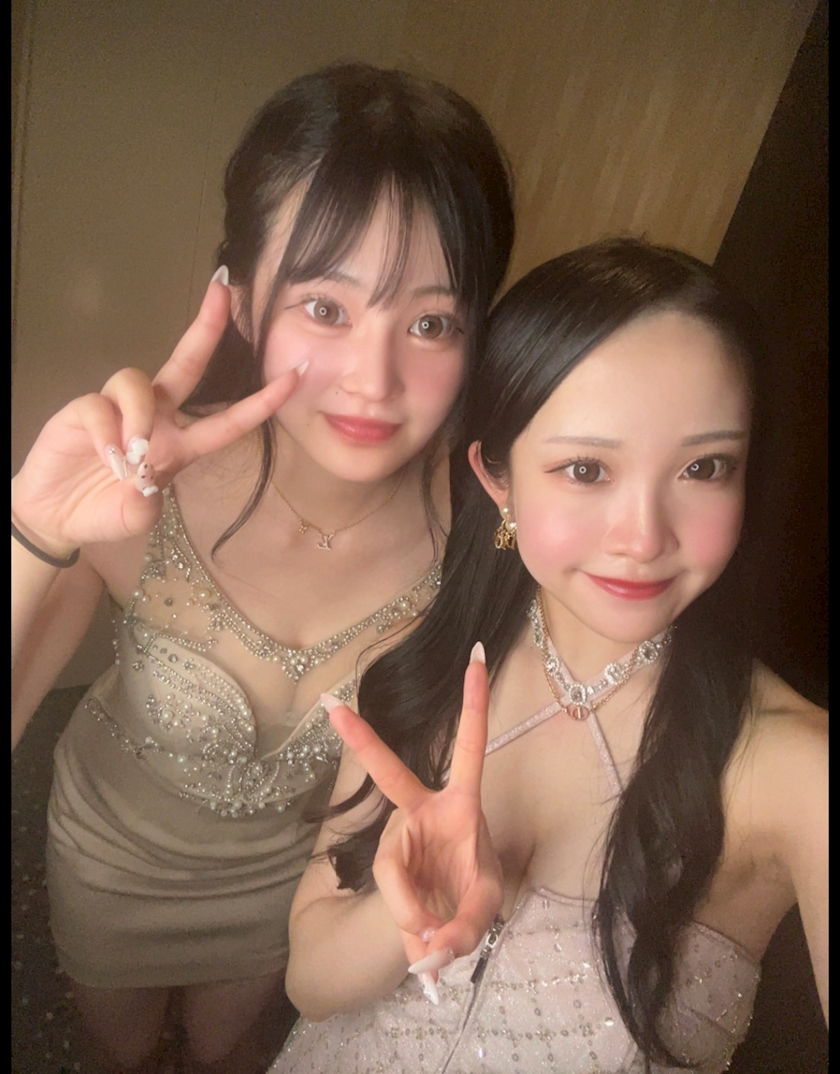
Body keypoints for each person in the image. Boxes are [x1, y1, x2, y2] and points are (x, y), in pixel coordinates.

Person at [11, 63, 514, 1071]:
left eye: (430, 323)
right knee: (116, 1052)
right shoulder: (140, 484)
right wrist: (32, 528)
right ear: (241, 304)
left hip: (281, 896)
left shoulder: (485, 530)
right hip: (110, 863)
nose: (374, 380)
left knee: (223, 1051)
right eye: (325, 308)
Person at [271, 238, 827, 1073]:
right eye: (586, 469)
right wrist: (406, 915)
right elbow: (309, 984)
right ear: (498, 480)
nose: (643, 537)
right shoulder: (426, 662)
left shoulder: (793, 767)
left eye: (705, 467)